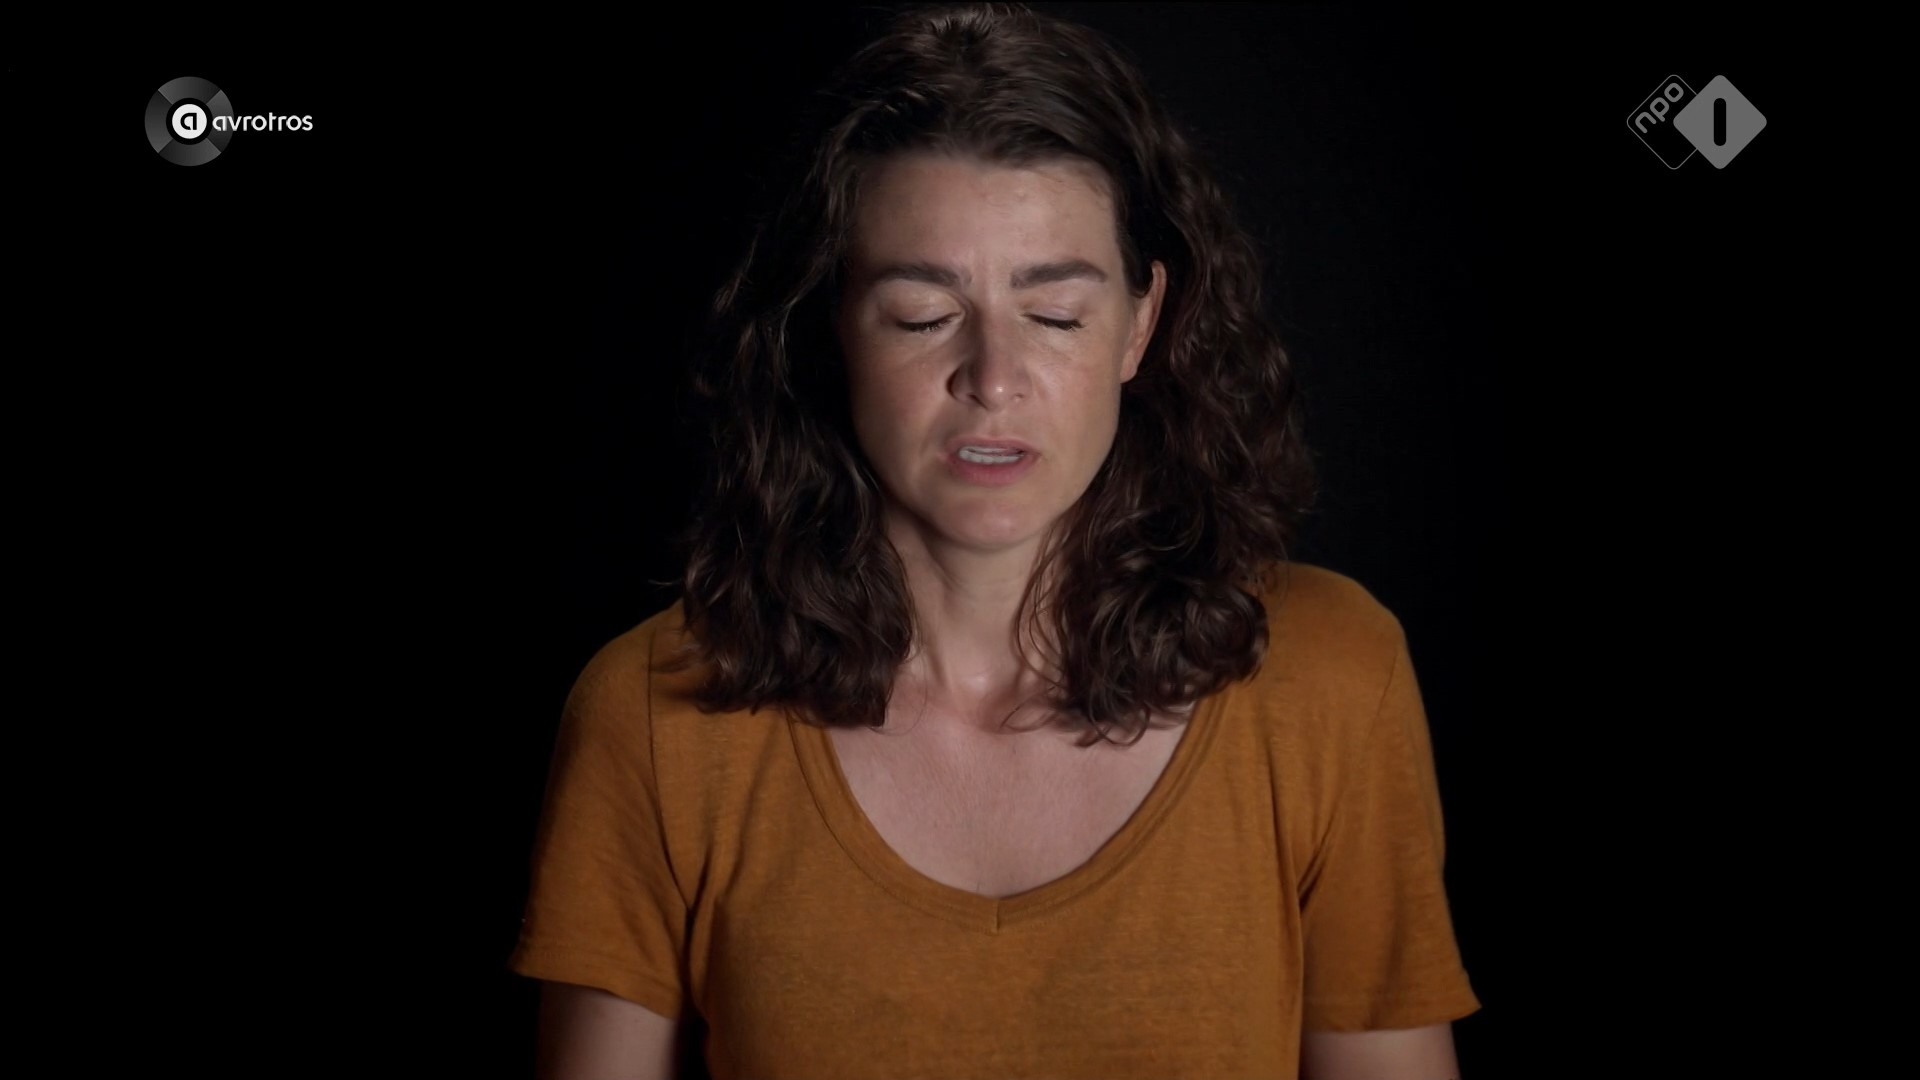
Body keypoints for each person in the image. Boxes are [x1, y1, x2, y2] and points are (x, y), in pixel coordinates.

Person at [508, 3, 1480, 1077]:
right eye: (922, 317)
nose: (993, 379)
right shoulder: (654, 715)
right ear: (832, 328)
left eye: (1055, 315)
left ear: (1141, 325)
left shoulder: (1333, 679)